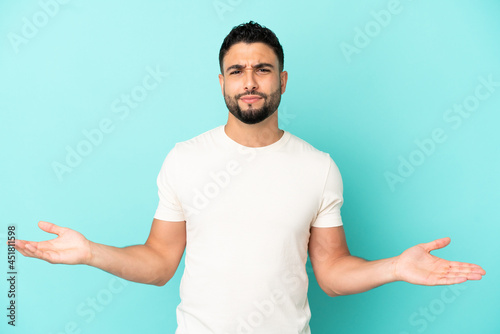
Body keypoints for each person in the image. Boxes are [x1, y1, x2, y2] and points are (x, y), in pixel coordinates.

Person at [14, 21, 485, 334]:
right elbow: (159, 263)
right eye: (236, 71)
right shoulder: (184, 159)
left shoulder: (318, 167)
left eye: (263, 69)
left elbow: (333, 273)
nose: (250, 81)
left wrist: (395, 269)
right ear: (221, 82)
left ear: (283, 80)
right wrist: (91, 252)